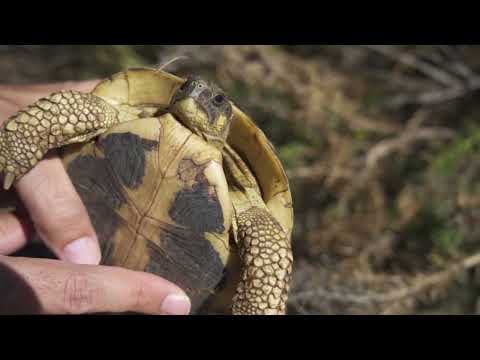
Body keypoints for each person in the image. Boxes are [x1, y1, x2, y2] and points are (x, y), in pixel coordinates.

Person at [0, 80, 191, 315]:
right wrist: (23, 134)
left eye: (216, 100)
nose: (198, 93)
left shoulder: (248, 205)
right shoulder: (114, 111)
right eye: (188, 87)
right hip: (43, 251)